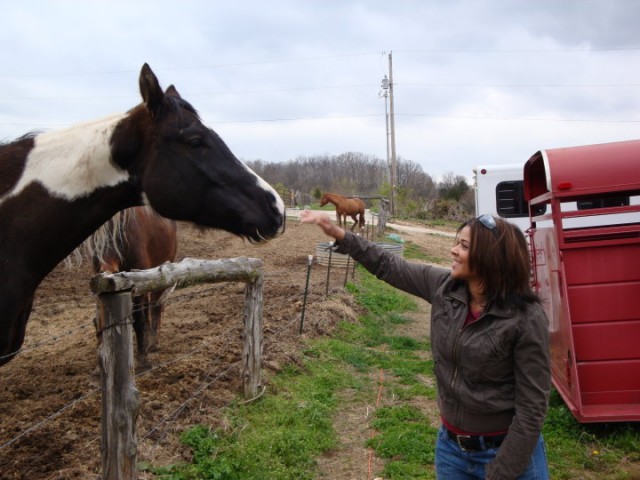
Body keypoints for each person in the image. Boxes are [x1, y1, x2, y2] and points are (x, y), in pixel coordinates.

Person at [300, 210, 551, 480]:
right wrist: (341, 235)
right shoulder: (444, 287)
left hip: (509, 453)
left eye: (464, 246)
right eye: (457, 242)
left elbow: (531, 408)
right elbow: (388, 265)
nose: (453, 250)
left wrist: (501, 473)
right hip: (452, 451)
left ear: (491, 257)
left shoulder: (525, 317)